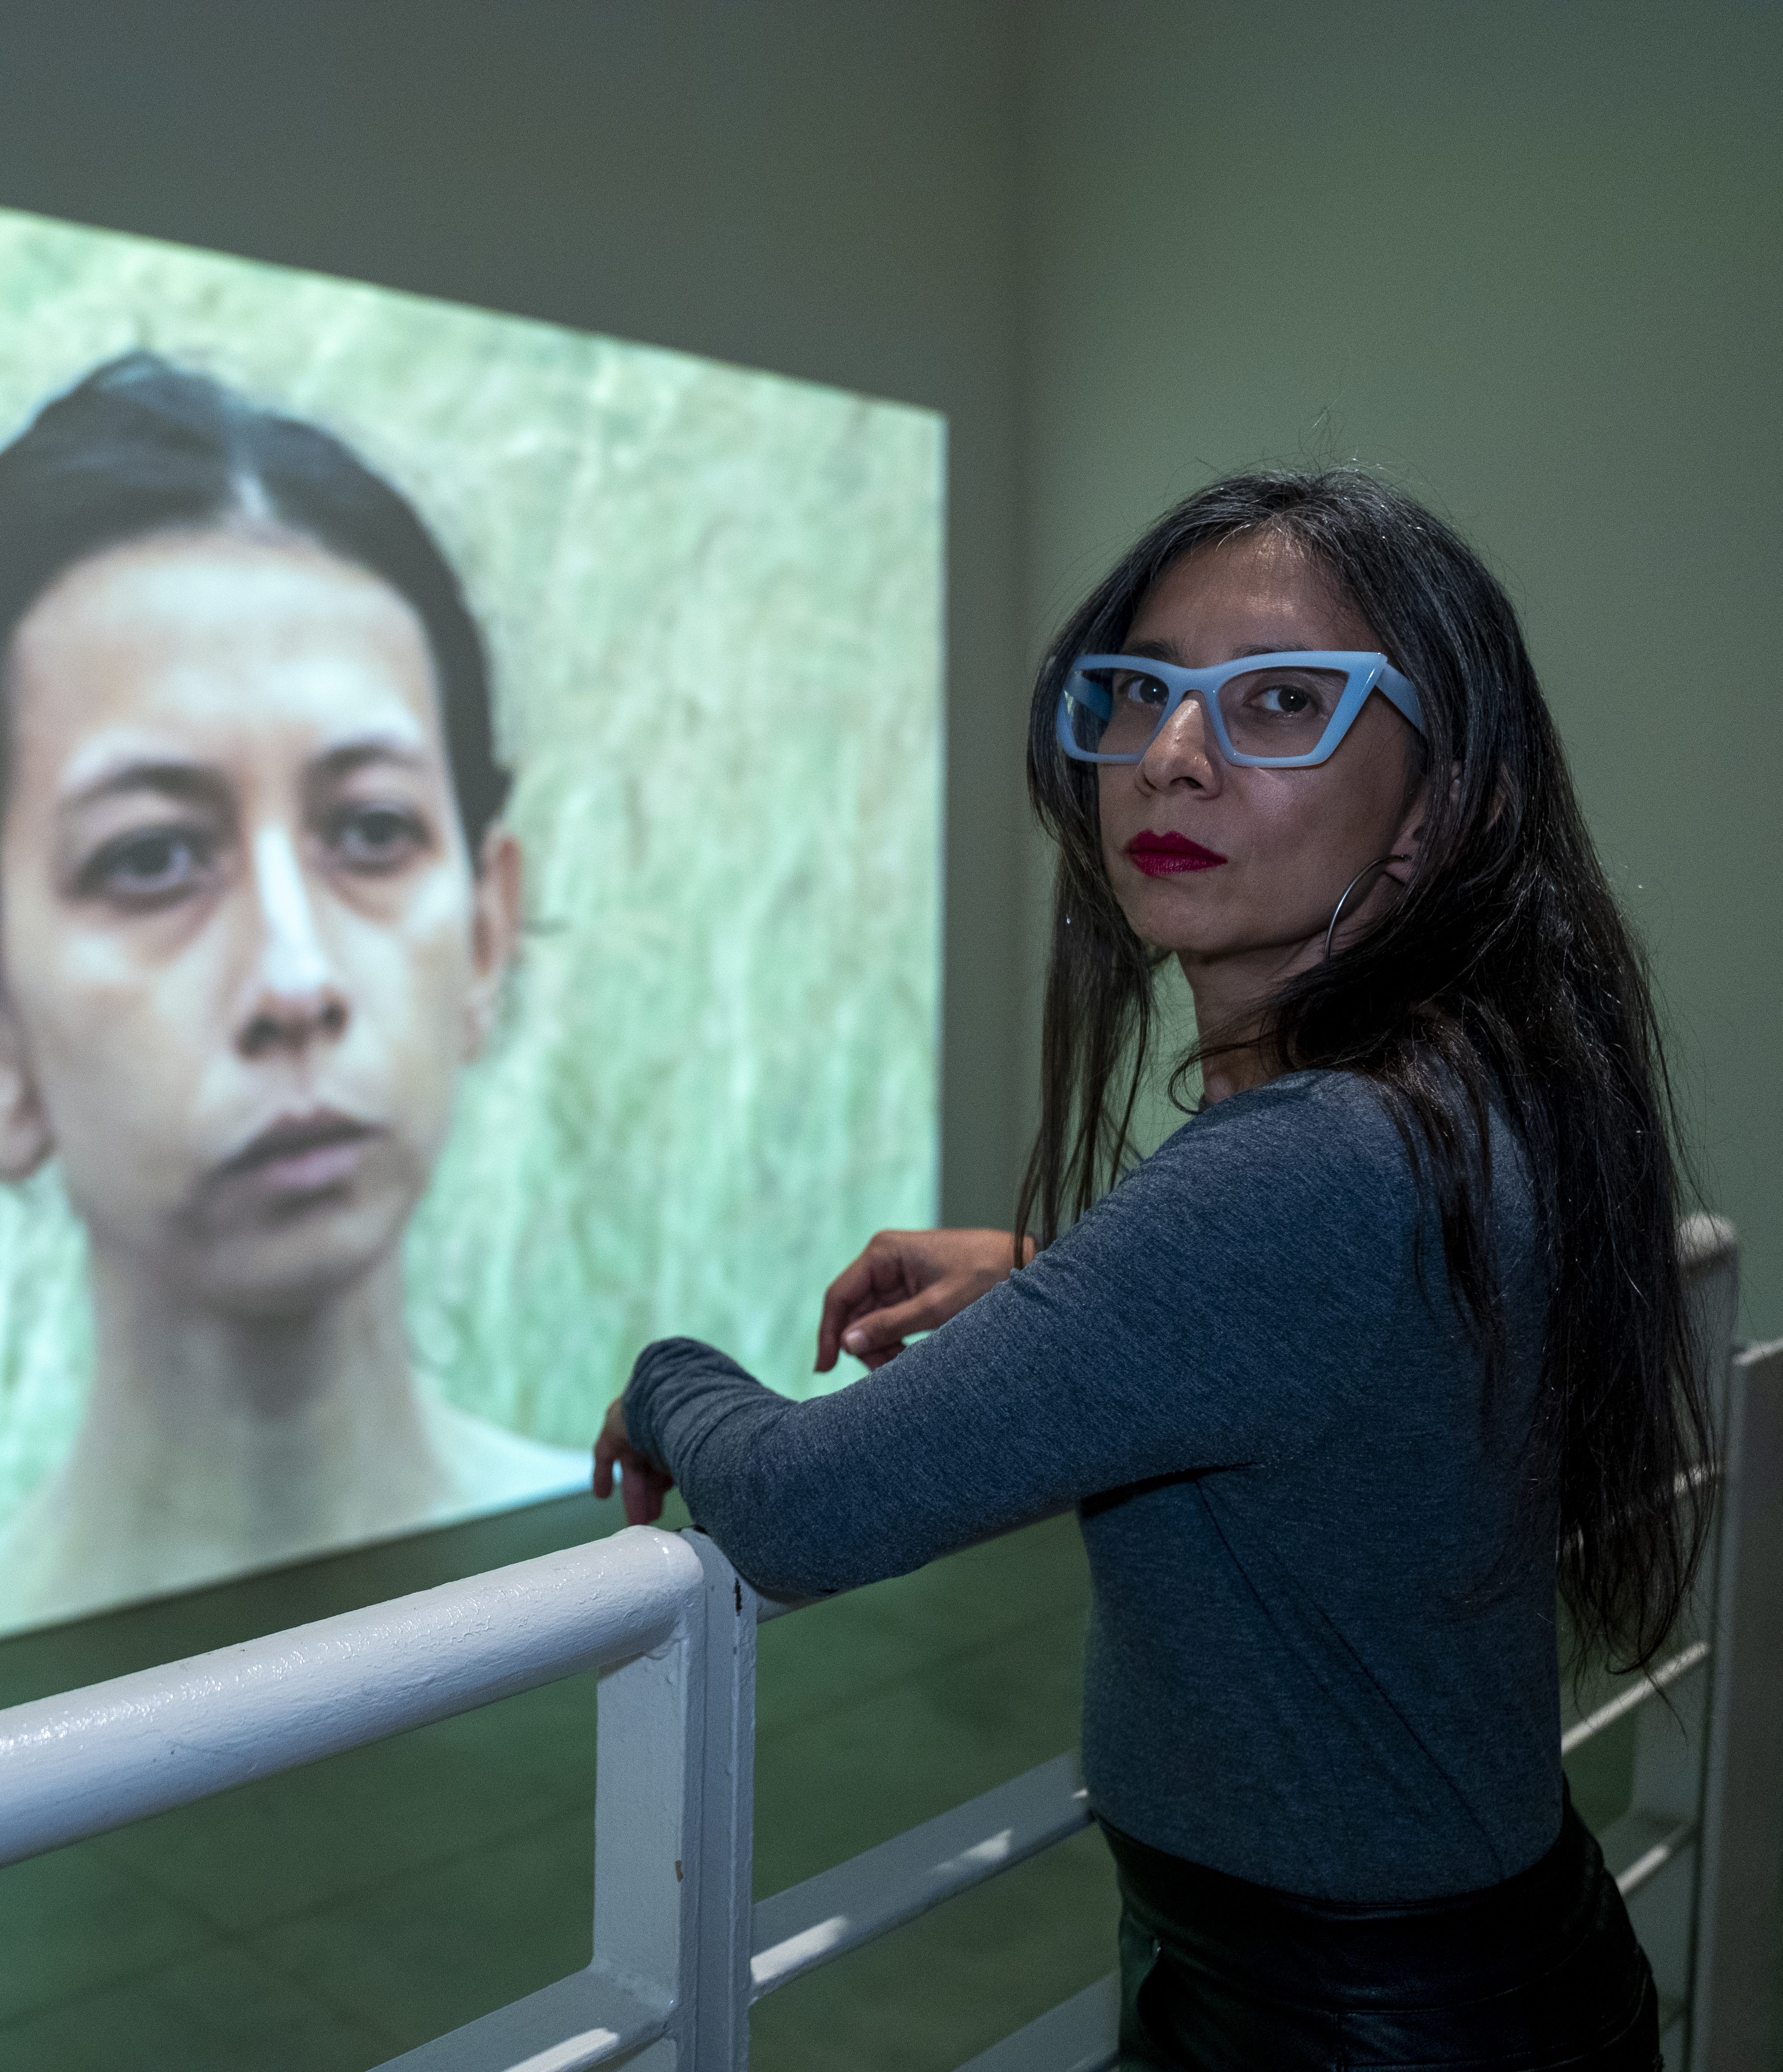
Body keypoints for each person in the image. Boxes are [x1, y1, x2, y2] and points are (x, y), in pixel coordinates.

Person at [592, 471, 1699, 2066]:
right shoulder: (1469, 1089)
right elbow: (1347, 1355)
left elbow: (806, 1505)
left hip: (1342, 2023)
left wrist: (670, 1374)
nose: (1174, 755)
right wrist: (1059, 1280)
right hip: (1465, 1974)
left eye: (1284, 702)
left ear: (1448, 803)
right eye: (1141, 696)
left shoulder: (1311, 1165)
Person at [0, 353, 583, 1656]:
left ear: (484, 933)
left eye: (371, 830)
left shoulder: (645, 1612)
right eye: (150, 859)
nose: (296, 982)